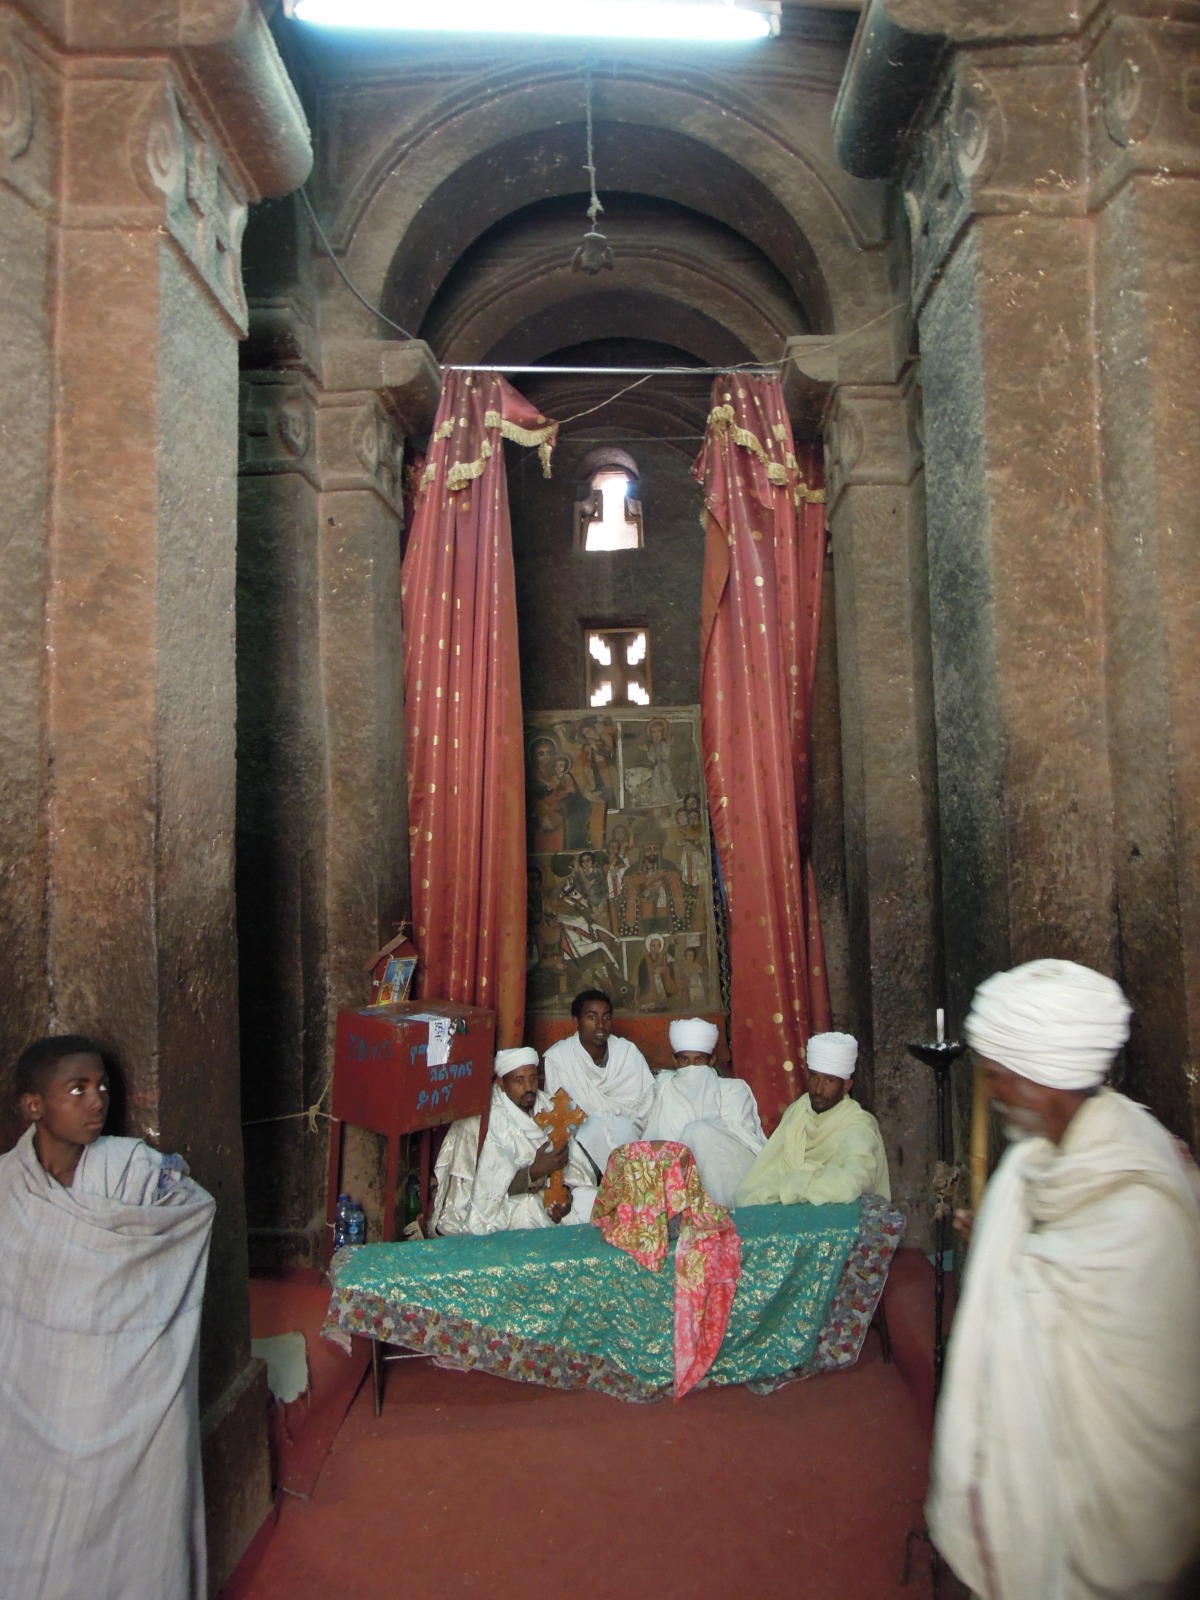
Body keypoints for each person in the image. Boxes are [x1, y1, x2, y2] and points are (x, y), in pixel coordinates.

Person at [927, 958, 1200, 1600]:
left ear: (1044, 1080)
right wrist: (998, 1230)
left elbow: (1130, 1377)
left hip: (1104, 1510)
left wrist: (1012, 1253)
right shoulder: (1033, 1164)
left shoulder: (1140, 1208)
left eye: (999, 1076)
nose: (991, 1094)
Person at [0, 1034, 215, 1599]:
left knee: (130, 1520)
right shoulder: (7, 1188)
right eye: (77, 1090)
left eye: (102, 1087)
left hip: (123, 1389)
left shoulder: (133, 1172)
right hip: (35, 1394)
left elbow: (195, 1211)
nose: (96, 1100)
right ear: (34, 1106)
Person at [732, 1030, 890, 1207]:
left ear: (846, 1086)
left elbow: (850, 1185)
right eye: (814, 1077)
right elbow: (767, 1173)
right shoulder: (798, 1111)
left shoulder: (859, 1126)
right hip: (789, 1211)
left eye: (829, 1081)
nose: (818, 1089)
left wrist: (796, 1184)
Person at [465, 1047, 597, 1235]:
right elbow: (488, 1191)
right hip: (513, 1201)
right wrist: (534, 1172)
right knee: (529, 1212)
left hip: (553, 1196)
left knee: (592, 1200)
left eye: (532, 1079)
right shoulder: (491, 1120)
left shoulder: (549, 1106)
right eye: (519, 1081)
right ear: (502, 1083)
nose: (528, 1087)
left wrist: (564, 1192)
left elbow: (576, 1168)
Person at [643, 1018, 765, 1206]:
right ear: (674, 1061)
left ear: (711, 1060)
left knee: (698, 1131)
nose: (692, 1069)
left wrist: (701, 1135)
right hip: (677, 1179)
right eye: (685, 1060)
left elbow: (743, 1140)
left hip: (729, 1172)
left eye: (698, 1060)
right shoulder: (665, 1090)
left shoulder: (733, 1089)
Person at [543, 990, 656, 1180]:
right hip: (581, 1149)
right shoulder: (559, 1058)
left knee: (619, 1130)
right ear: (575, 1022)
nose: (600, 1025)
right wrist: (596, 1127)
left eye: (606, 1017)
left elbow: (645, 1111)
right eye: (591, 1017)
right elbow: (556, 1116)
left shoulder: (627, 1053)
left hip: (627, 1136)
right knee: (591, 1129)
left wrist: (612, 1125)